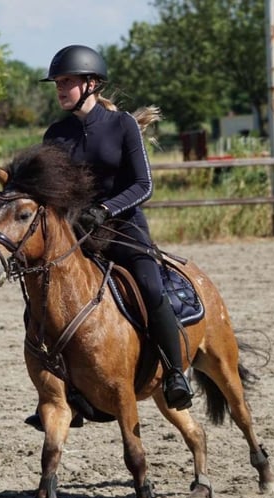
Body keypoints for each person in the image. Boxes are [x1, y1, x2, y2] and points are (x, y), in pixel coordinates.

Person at [24, 45, 195, 431]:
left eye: (67, 81)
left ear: (91, 84)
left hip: (124, 229)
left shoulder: (122, 126)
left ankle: (173, 375)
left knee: (151, 289)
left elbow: (143, 184)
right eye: (58, 83)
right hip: (76, 238)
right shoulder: (56, 134)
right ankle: (56, 394)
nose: (60, 88)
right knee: (39, 303)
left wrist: (105, 209)